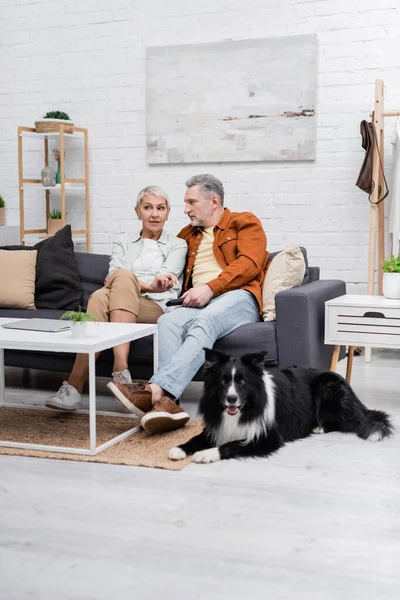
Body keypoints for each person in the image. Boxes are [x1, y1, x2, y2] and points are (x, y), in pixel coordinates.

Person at [108, 174, 269, 434]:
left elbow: (250, 264)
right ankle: (169, 407)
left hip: (238, 297)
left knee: (204, 320)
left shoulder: (244, 222)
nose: (185, 210)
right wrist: (169, 278)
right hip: (199, 300)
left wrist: (210, 288)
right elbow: (168, 261)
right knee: (167, 321)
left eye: (191, 202)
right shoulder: (187, 235)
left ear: (213, 201)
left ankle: (157, 392)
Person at [46, 186, 188, 411]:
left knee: (108, 290)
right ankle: (120, 372)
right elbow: (112, 276)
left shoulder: (178, 244)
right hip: (123, 298)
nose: (154, 214)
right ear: (137, 211)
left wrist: (144, 284)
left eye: (160, 208)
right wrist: (146, 283)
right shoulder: (123, 240)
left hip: (154, 306)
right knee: (102, 297)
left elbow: (165, 279)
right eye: (148, 207)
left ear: (168, 213)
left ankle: (76, 385)